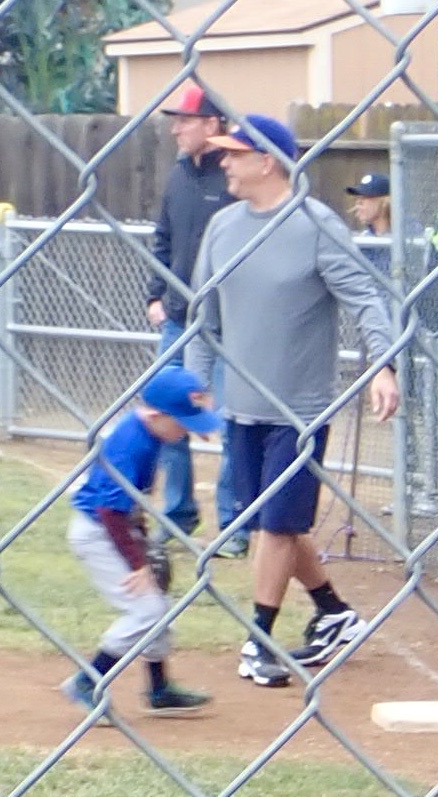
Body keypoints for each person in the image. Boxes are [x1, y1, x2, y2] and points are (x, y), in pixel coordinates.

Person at [190, 112, 400, 688]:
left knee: (276, 528)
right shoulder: (223, 227)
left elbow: (365, 299)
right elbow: (204, 318)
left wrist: (384, 365)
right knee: (273, 521)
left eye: (234, 153)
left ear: (267, 162)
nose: (223, 162)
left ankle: (257, 640)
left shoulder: (316, 226)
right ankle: (333, 612)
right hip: (242, 406)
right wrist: (195, 385)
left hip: (299, 414)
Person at [62, 366, 221, 717]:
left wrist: (144, 545)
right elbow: (109, 510)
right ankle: (87, 681)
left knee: (159, 607)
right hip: (98, 533)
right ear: (154, 414)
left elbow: (131, 504)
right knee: (147, 610)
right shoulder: (132, 444)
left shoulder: (150, 433)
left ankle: (159, 690)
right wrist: (138, 564)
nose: (186, 431)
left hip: (117, 527)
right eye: (181, 423)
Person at [145, 80, 241, 550]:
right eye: (176, 122)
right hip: (179, 319)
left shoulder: (234, 175)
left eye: (185, 121)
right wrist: (155, 296)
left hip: (229, 324)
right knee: (169, 412)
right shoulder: (179, 174)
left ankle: (235, 523)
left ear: (212, 123)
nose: (176, 130)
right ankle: (179, 513)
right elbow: (162, 239)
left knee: (232, 421)